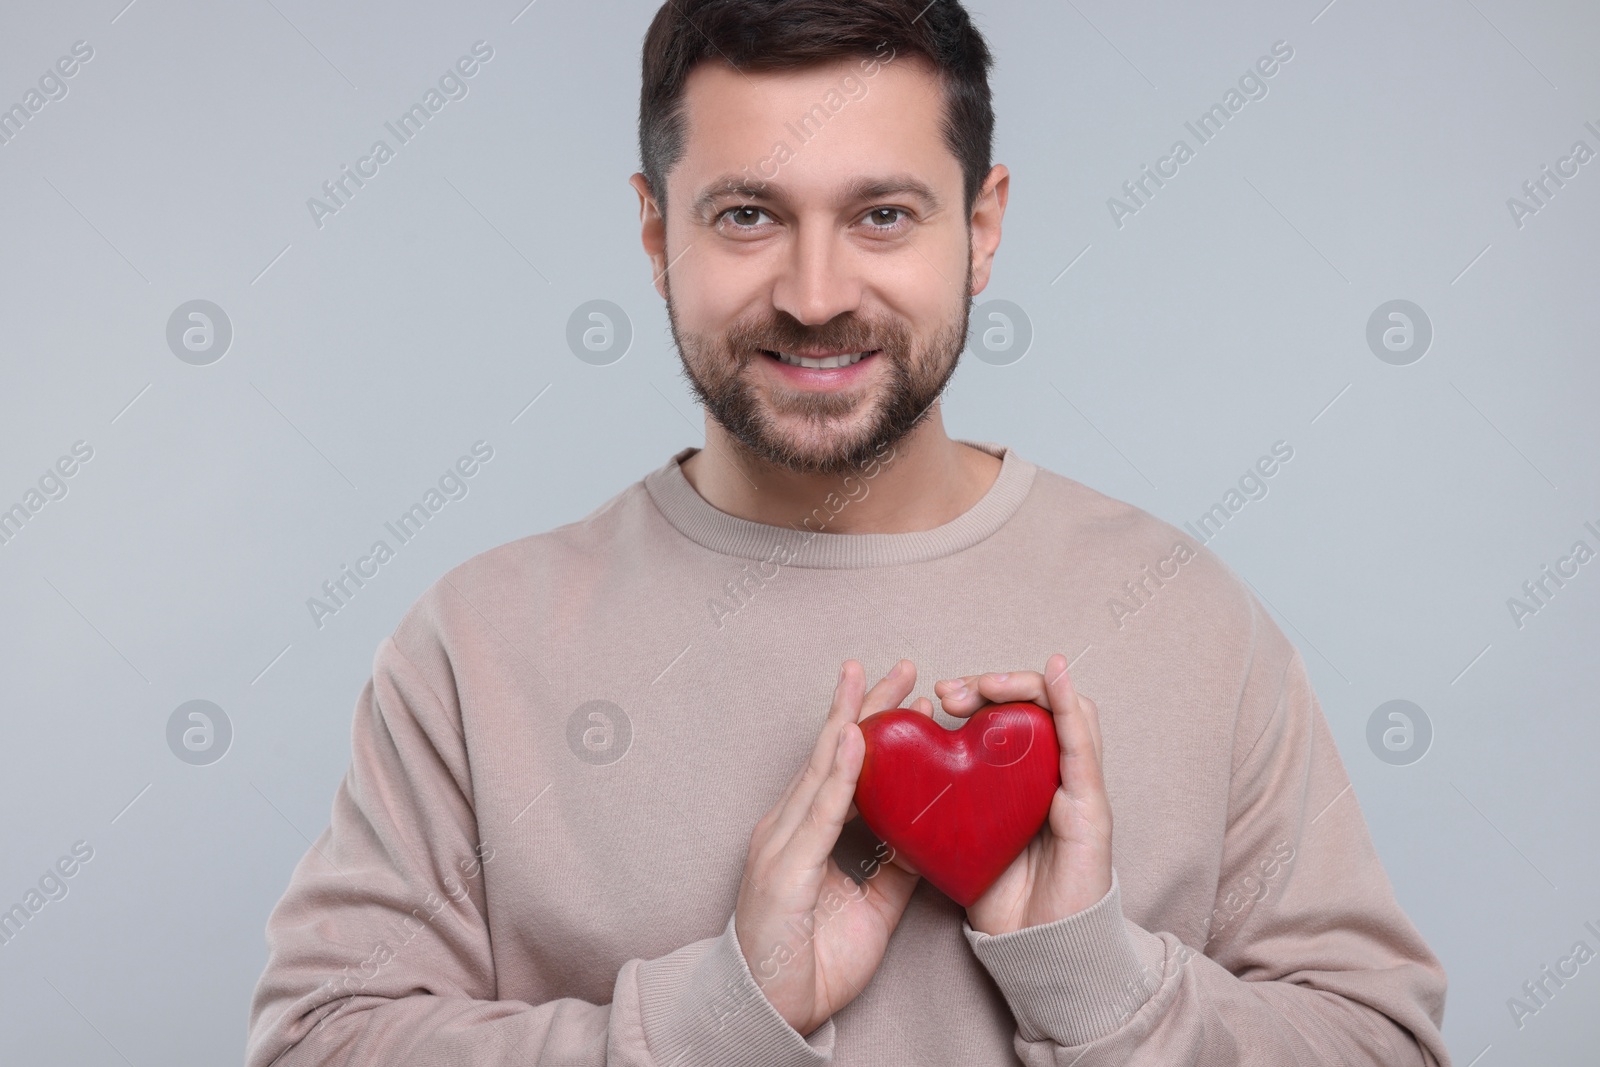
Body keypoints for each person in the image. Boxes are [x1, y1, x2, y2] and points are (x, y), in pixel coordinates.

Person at [246, 1, 1452, 1063]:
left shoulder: (1190, 615)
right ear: (658, 233)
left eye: (881, 214)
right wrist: (718, 1022)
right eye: (746, 215)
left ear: (980, 228)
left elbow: (1380, 1039)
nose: (815, 293)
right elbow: (318, 1041)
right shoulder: (476, 645)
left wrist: (1100, 987)